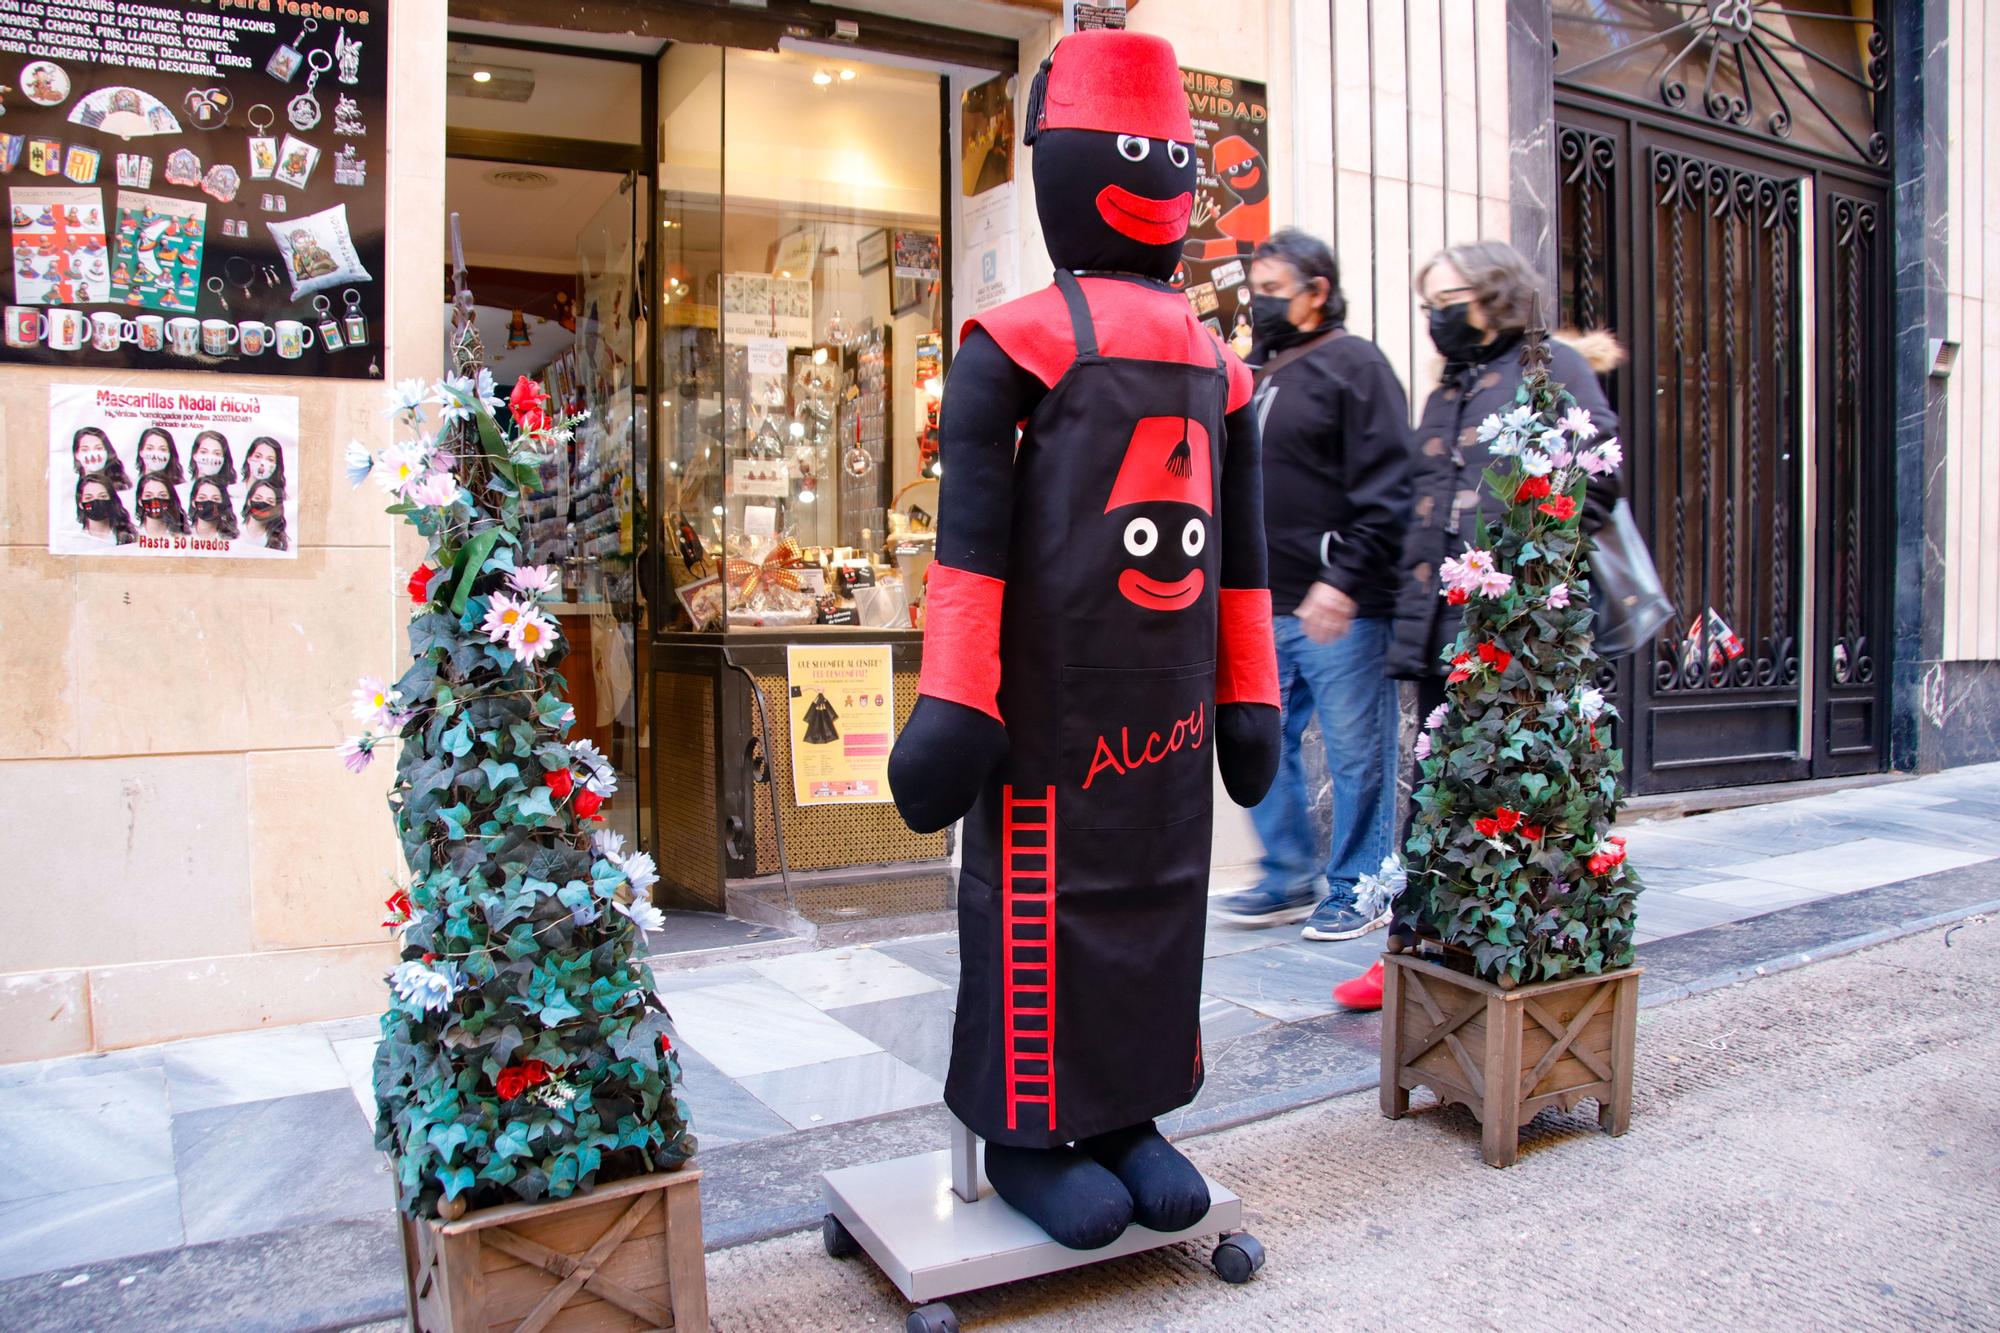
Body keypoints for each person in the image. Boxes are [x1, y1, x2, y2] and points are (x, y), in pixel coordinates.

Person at [1334, 239, 1623, 1012]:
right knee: (1434, 795)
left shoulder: (1551, 367)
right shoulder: (1446, 391)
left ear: (1496, 294)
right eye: (1430, 301)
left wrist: (1522, 568)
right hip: (1436, 633)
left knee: (1508, 796)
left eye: (1450, 298)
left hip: (1513, 637)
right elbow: (1414, 505)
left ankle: (1510, 949)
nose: (1437, 316)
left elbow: (1597, 472)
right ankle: (1412, 952)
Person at [1211, 229, 1412, 942]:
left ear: (1318, 291)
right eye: (1255, 291)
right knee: (1260, 740)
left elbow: (1391, 488)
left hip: (1339, 606)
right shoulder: (1256, 372)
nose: (1259, 305)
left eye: (1273, 292)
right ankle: (1289, 874)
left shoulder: (1357, 366)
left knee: (1358, 751)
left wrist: (1344, 579)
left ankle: (1362, 884)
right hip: (1264, 602)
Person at [75, 473, 136, 545]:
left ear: (112, 500)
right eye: (88, 498)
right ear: (81, 504)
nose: (96, 501)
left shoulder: (131, 536)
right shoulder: (76, 541)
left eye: (102, 496)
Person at [72, 426, 132, 490]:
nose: (92, 455)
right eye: (85, 450)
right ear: (76, 455)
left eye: (98, 448)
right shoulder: (70, 490)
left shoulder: (123, 488)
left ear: (107, 451)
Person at [240, 479, 287, 551]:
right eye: (258, 498)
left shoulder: (278, 541)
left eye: (270, 501)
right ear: (249, 501)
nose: (263, 504)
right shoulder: (236, 530)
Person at [135, 471, 186, 538]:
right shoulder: (134, 535)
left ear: (170, 500)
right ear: (140, 501)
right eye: (148, 496)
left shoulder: (182, 534)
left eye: (162, 495)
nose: (155, 502)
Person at [188, 477, 239, 541]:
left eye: (215, 499)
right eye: (202, 498)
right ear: (193, 503)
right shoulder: (183, 536)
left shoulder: (234, 541)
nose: (208, 503)